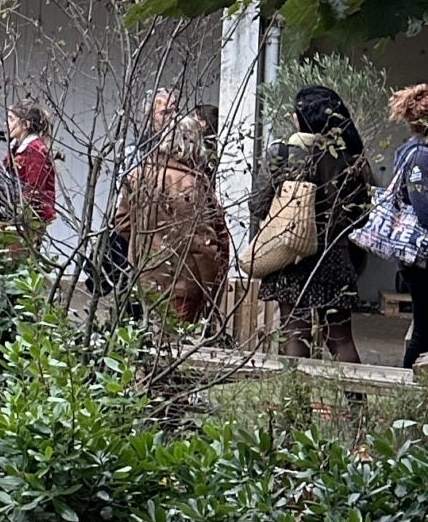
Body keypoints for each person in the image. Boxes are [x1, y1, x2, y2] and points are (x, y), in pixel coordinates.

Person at [255, 82, 375, 365]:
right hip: (335, 255)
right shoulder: (351, 157)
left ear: (302, 117)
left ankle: (296, 406)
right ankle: (357, 407)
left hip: (291, 254)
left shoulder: (281, 154)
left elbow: (256, 205)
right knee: (342, 338)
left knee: (294, 331)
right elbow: (362, 215)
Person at [112, 115, 230, 327]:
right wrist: (212, 285)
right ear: (194, 145)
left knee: (141, 345)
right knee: (172, 347)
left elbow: (122, 222)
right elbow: (201, 244)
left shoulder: (137, 175)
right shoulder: (191, 184)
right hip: (180, 283)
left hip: (141, 276)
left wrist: (143, 244)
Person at [387, 84, 428, 368]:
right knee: (425, 325)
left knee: (424, 322)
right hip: (422, 254)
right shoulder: (421, 156)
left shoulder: (407, 150)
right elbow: (423, 206)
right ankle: (407, 381)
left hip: (412, 254)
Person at [4, 95, 58, 239]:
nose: (7, 123)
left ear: (26, 124)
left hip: (31, 216)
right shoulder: (15, 147)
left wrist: (20, 213)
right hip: (14, 210)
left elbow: (35, 189)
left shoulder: (36, 150)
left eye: (11, 119)